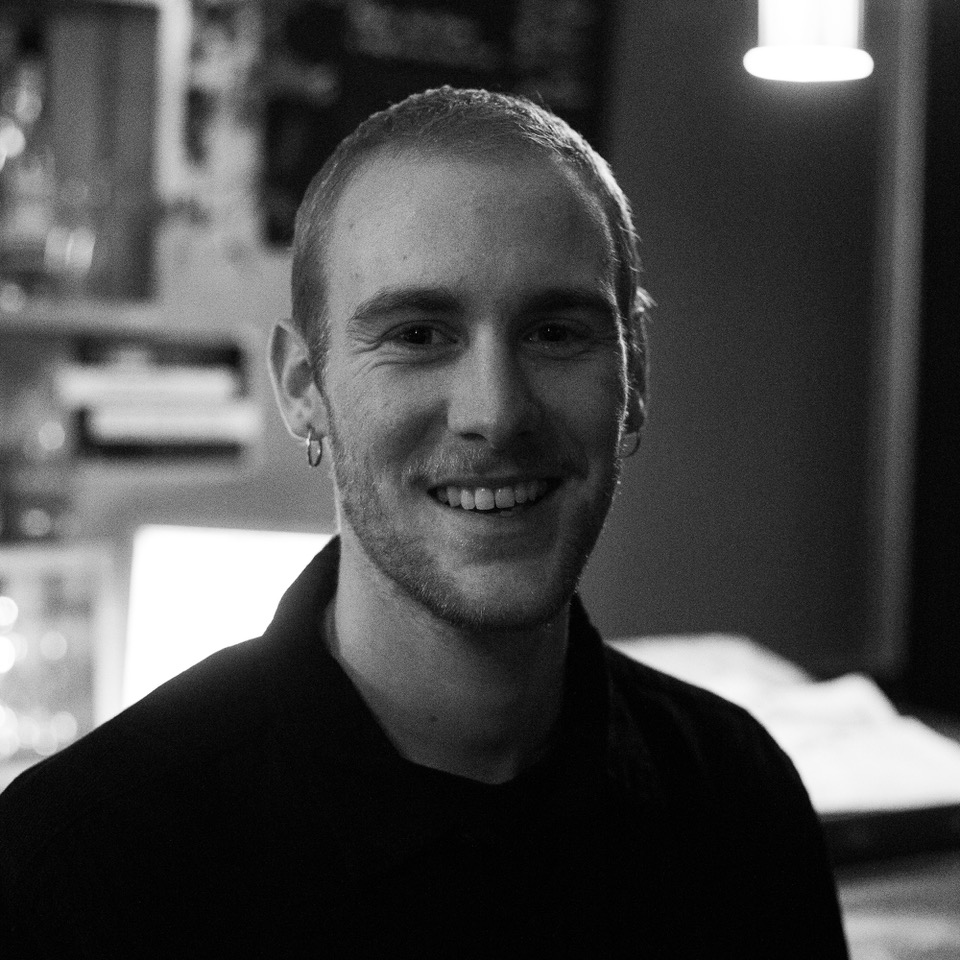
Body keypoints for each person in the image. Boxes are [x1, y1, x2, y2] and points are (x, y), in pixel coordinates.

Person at [0, 87, 849, 958]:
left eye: (555, 333)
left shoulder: (738, 803)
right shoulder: (79, 874)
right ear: (303, 388)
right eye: (418, 334)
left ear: (635, 375)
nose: (496, 412)